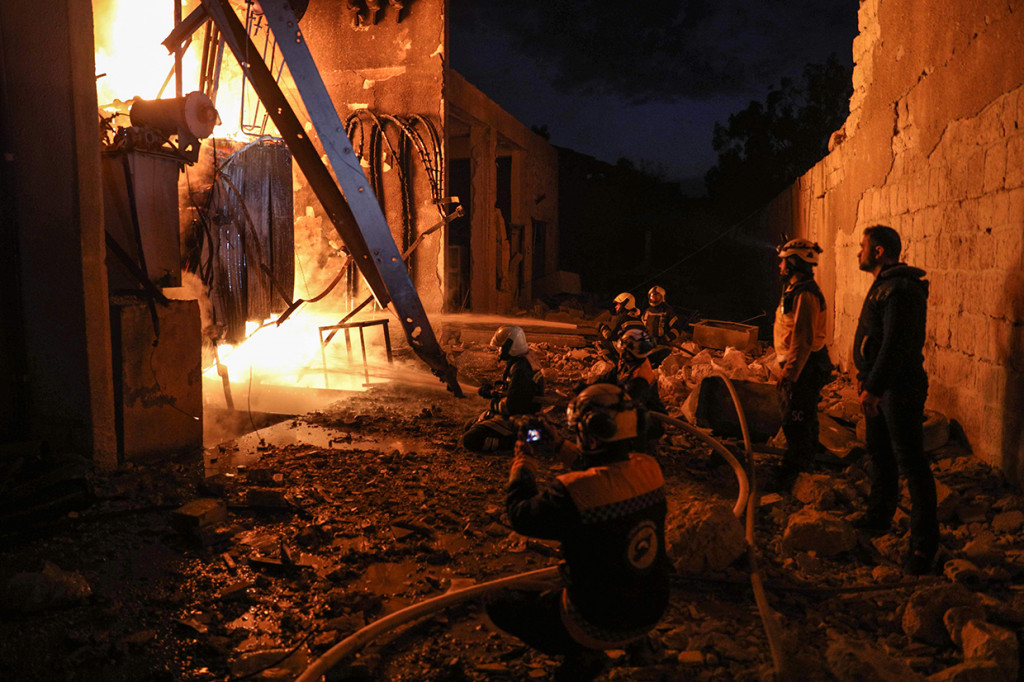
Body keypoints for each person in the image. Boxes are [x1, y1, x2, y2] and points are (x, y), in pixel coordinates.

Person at [485, 384, 670, 680]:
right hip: (652, 610)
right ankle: (637, 643)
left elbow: (520, 515)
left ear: (591, 434)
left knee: (497, 599)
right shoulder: (650, 469)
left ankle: (583, 655)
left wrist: (524, 460)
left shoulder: (573, 492)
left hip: (595, 622)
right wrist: (559, 447)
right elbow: (605, 469)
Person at [853, 225, 938, 575]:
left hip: (897, 389)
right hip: (881, 386)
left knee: (911, 462)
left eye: (862, 246)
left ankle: (923, 546)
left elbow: (894, 345)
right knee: (881, 452)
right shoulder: (886, 286)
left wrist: (874, 388)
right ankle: (878, 515)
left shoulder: (900, 290)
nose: (857, 252)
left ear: (878, 251)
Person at [768, 238, 833, 490]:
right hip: (803, 365)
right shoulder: (796, 290)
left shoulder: (806, 294)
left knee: (796, 419)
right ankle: (807, 461)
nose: (780, 266)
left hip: (806, 367)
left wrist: (790, 374)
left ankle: (795, 473)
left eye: (784, 261)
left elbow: (803, 339)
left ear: (795, 262)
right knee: (803, 416)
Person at [462, 325, 545, 453]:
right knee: (469, 425)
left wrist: (494, 402)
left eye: (502, 347)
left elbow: (512, 407)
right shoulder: (523, 360)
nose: (500, 350)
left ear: (511, 346)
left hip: (522, 418)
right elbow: (516, 391)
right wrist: (494, 390)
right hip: (523, 413)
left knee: (470, 440)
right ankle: (530, 437)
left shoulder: (521, 370)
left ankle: (517, 442)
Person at [642, 285, 682, 368]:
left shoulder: (667, 311)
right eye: (652, 296)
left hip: (663, 346)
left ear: (662, 297)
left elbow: (677, 329)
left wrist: (665, 338)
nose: (654, 298)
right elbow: (642, 328)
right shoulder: (647, 312)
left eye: (657, 296)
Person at [597, 292, 646, 359]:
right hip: (640, 353)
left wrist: (603, 328)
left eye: (618, 304)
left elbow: (611, 337)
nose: (616, 306)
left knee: (604, 337)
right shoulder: (638, 319)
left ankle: (613, 361)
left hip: (627, 353)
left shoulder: (623, 318)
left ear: (625, 304)